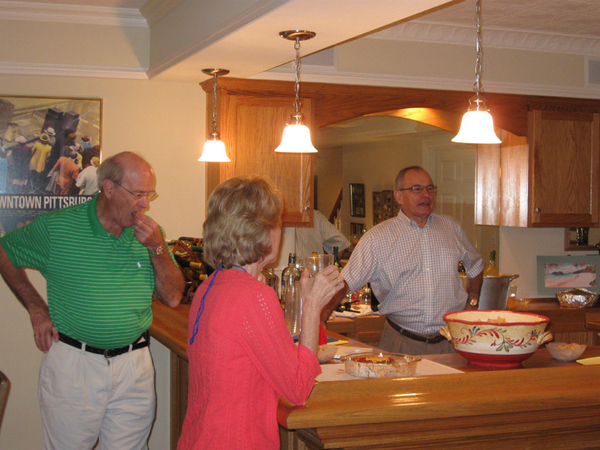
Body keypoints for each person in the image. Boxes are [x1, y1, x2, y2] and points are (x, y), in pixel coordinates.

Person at [0, 151, 185, 450]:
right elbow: (4, 251)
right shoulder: (58, 227)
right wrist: (36, 308)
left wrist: (158, 248)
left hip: (134, 365)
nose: (145, 204)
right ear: (109, 189)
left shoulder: (151, 234)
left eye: (148, 194)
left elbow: (174, 297)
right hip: (75, 365)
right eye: (137, 194)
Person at [177, 175, 344, 450]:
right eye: (278, 223)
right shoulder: (255, 295)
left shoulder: (211, 285)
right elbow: (297, 389)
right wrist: (312, 306)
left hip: (200, 438)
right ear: (263, 232)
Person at [328, 166, 483, 355]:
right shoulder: (378, 238)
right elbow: (345, 283)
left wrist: (472, 302)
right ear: (398, 197)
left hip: (451, 343)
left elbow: (476, 265)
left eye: (430, 188)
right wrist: (319, 317)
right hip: (401, 343)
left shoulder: (452, 229)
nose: (426, 194)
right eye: (417, 189)